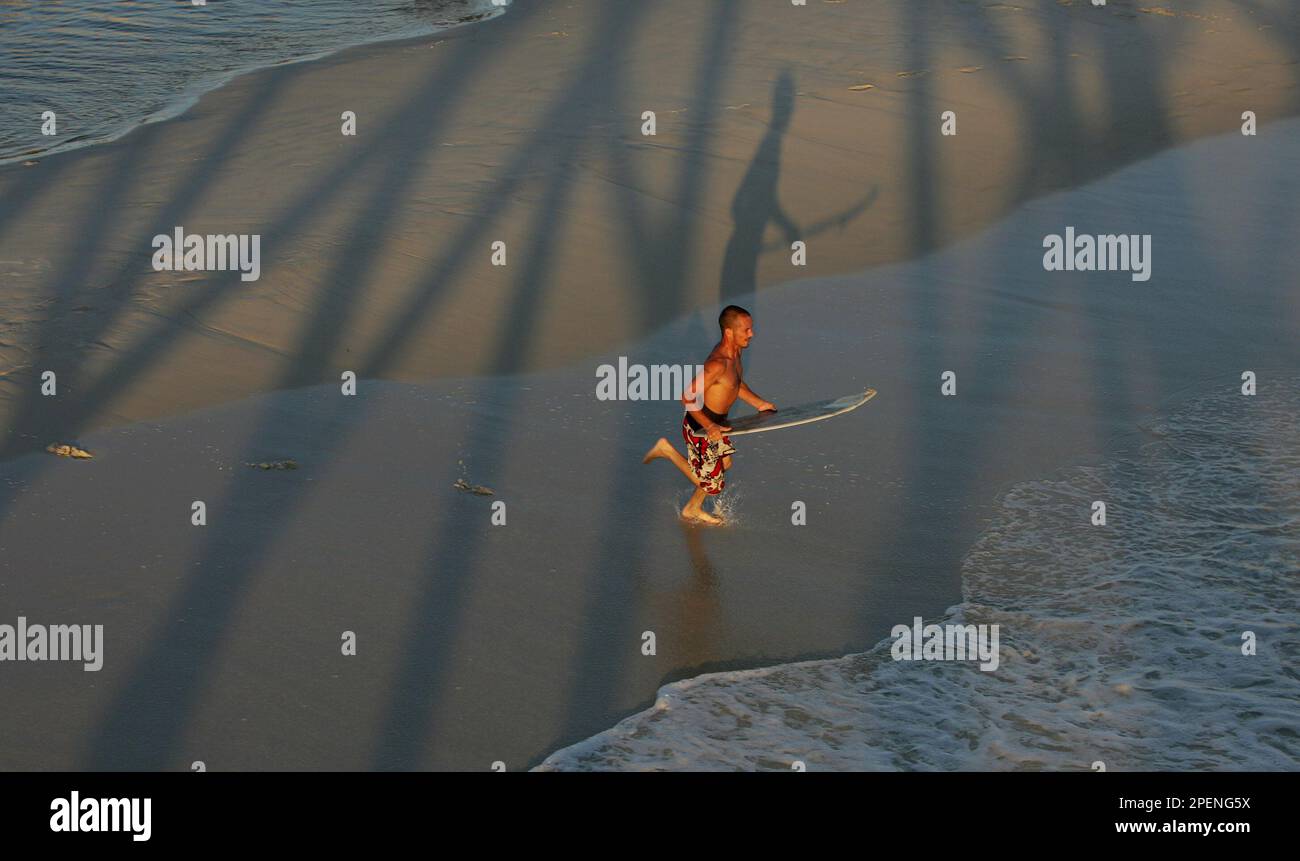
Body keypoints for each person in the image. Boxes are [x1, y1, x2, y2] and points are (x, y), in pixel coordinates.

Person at [643, 305, 776, 524]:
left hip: (717, 424)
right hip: (700, 427)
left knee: (724, 465)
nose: (752, 334)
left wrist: (759, 403)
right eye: (747, 330)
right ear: (729, 332)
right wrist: (711, 427)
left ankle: (691, 508)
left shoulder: (736, 353)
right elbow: (687, 397)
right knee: (713, 485)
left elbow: (734, 384)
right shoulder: (717, 364)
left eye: (751, 329)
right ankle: (666, 450)